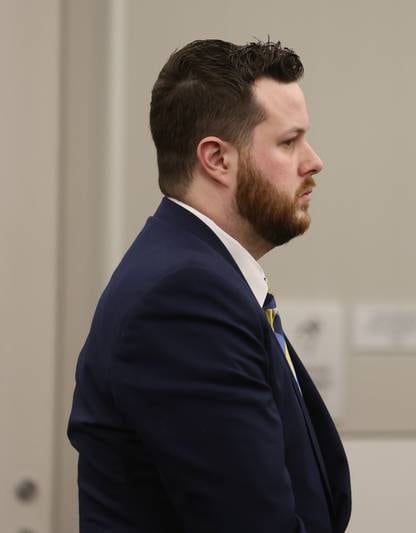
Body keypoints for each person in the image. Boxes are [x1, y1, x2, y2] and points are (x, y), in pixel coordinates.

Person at [67, 39, 350, 533]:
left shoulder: (199, 275)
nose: (314, 161)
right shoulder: (182, 299)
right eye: (289, 142)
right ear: (217, 159)